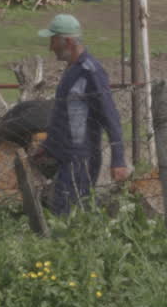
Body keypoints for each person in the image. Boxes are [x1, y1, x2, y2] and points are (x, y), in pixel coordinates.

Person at [31, 13, 129, 215]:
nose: (51, 48)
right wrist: (48, 147)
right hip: (66, 158)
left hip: (81, 161)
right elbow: (65, 117)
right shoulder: (72, 70)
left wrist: (118, 160)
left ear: (67, 41)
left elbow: (110, 117)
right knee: (63, 213)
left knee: (70, 217)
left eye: (53, 41)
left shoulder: (90, 72)